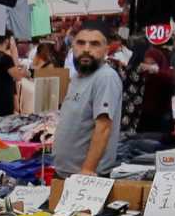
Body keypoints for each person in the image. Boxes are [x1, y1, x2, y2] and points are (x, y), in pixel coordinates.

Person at [51, 27, 124, 176]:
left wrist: (88, 170)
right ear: (72, 47)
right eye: (81, 43)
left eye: (94, 44)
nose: (86, 49)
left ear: (106, 50)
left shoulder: (105, 77)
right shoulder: (79, 77)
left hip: (86, 178)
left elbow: (103, 127)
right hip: (67, 174)